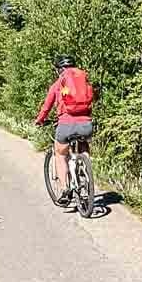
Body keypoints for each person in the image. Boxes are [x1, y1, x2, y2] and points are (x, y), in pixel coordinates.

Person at [35, 55, 95, 202]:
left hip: (66, 125)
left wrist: (39, 120)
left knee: (60, 154)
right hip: (86, 124)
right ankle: (84, 168)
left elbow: (46, 107)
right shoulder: (84, 79)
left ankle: (65, 189)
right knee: (83, 143)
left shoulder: (57, 84)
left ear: (59, 69)